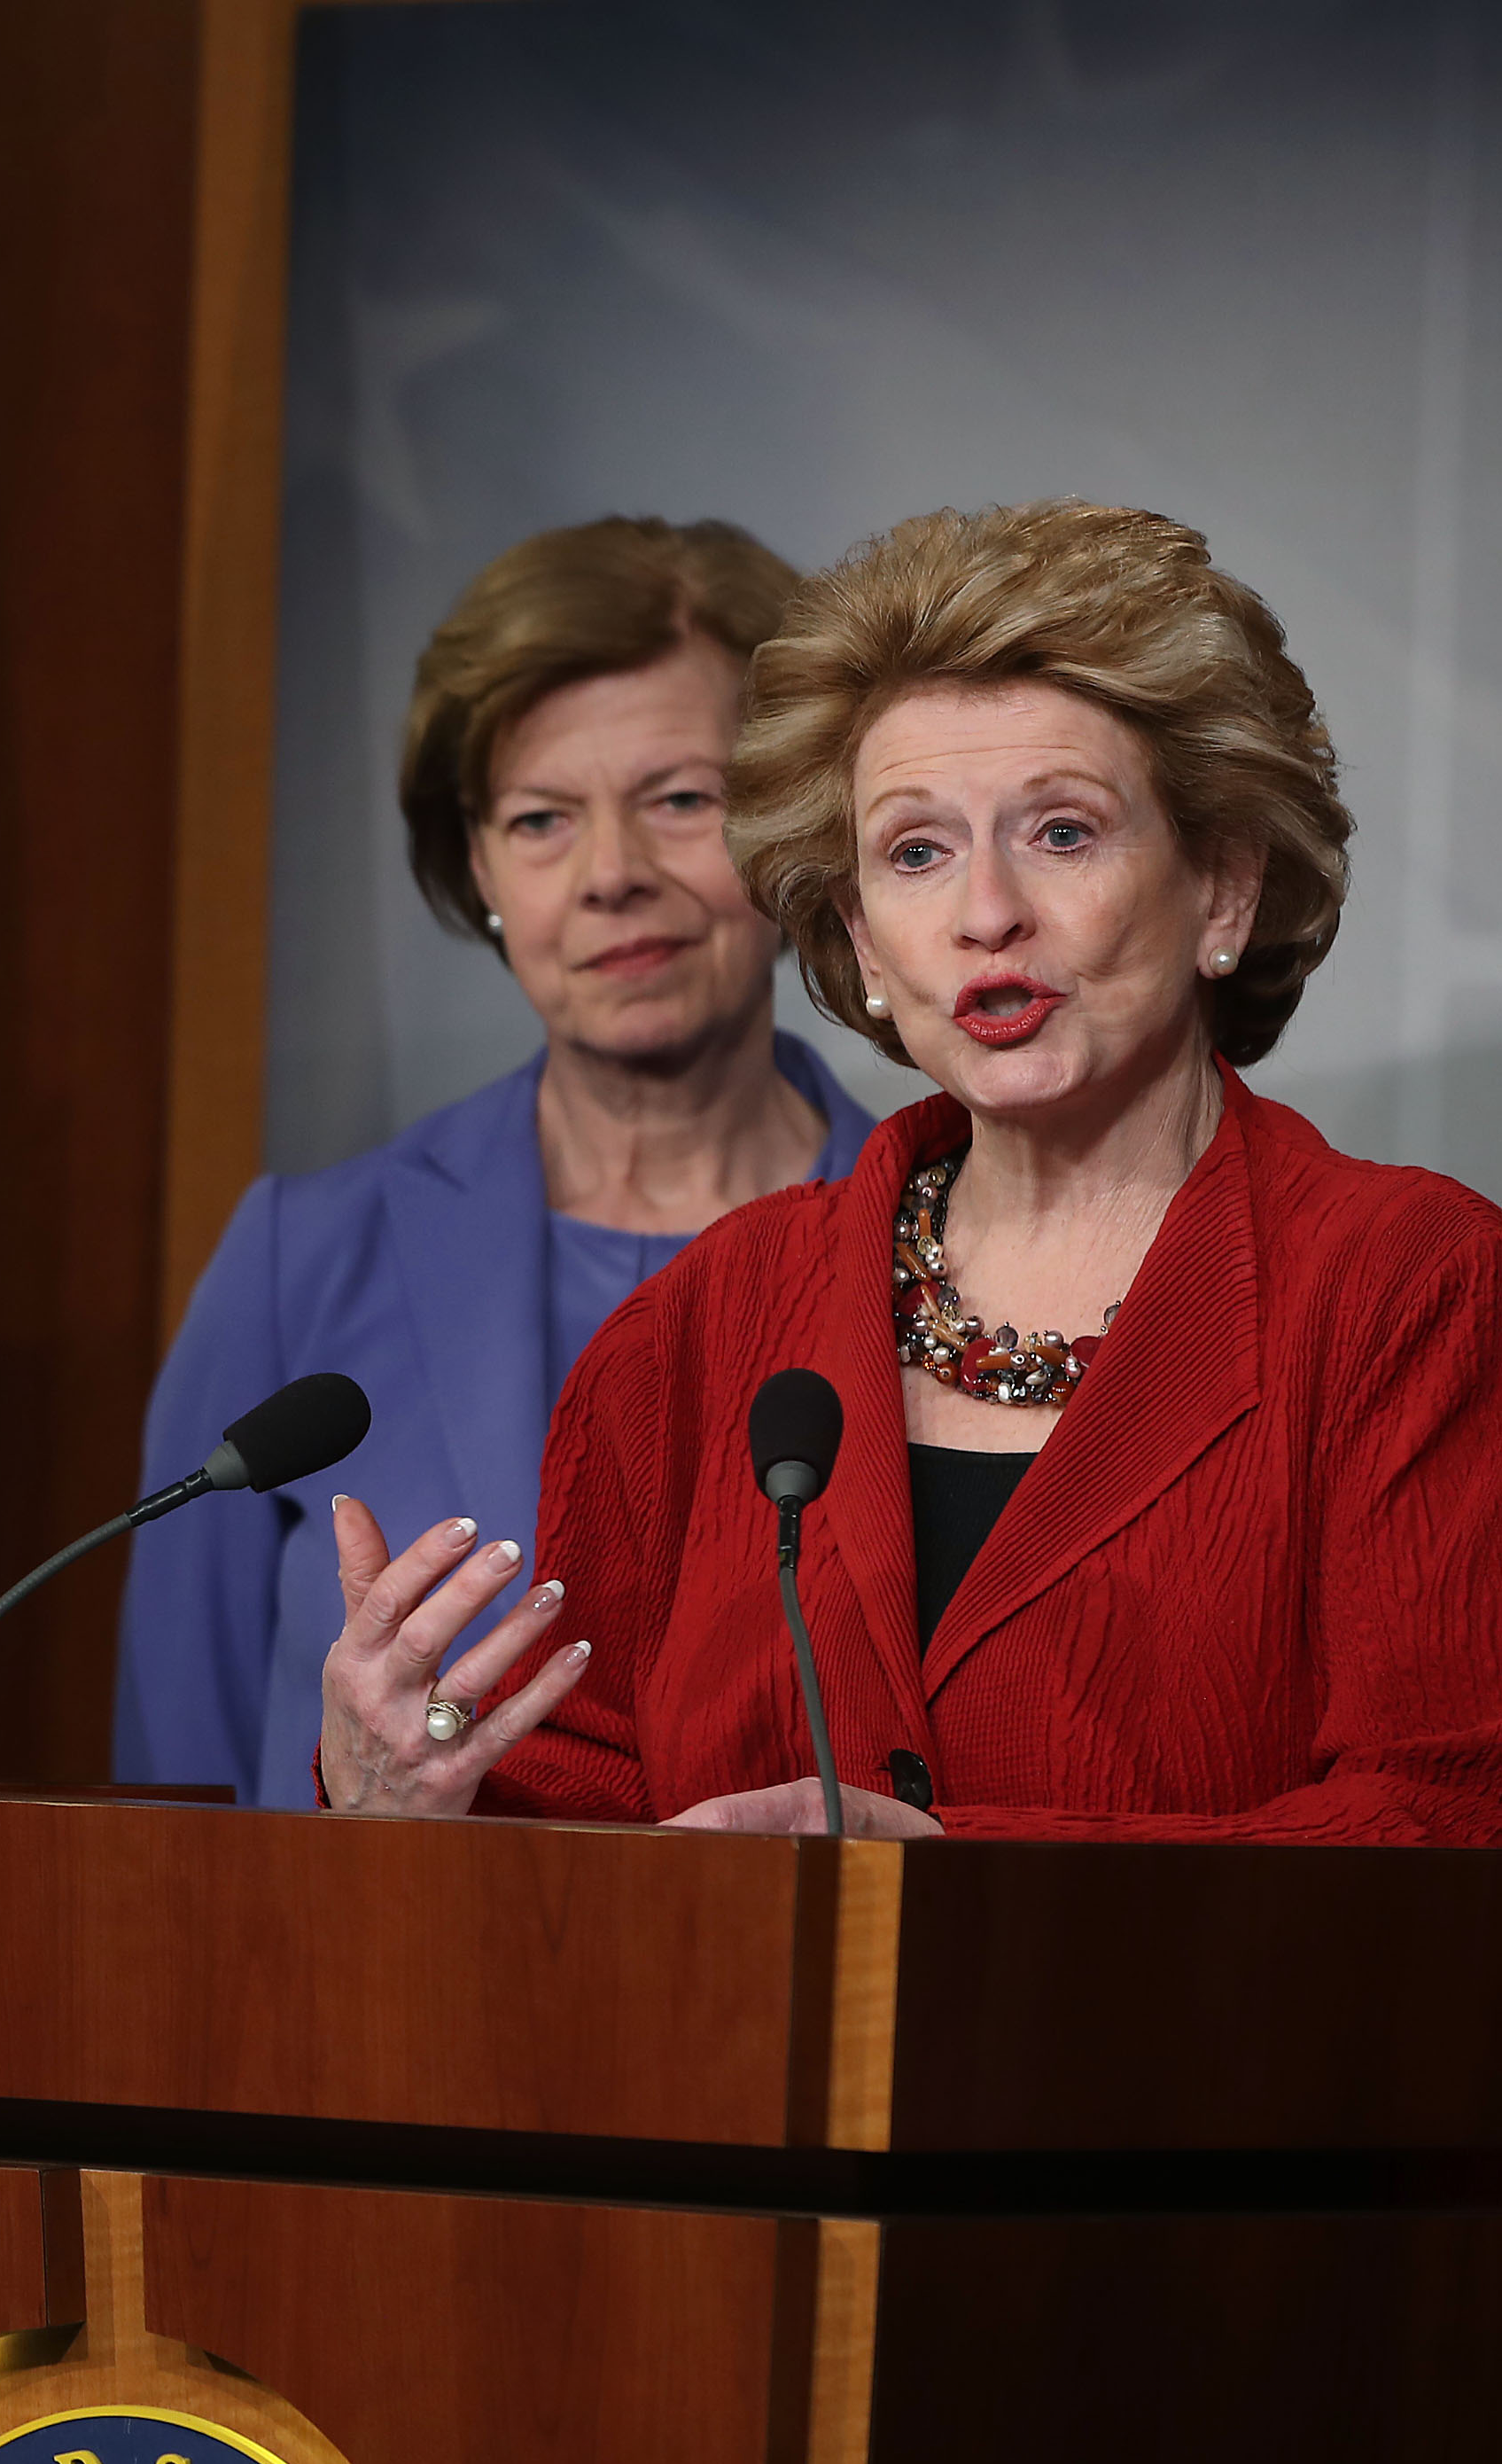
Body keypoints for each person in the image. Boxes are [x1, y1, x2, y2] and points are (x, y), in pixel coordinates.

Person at [318, 500, 1502, 1844]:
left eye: (1061, 832)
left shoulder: (1413, 1293)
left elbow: (1450, 1824)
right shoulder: (699, 1327)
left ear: (1221, 891)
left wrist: (942, 1877)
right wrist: (411, 1793)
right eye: (915, 852)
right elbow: (589, 1819)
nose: (982, 910)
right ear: (866, 946)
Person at [121, 518, 875, 1805]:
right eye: (539, 820)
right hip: (370, 1992)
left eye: (680, 800)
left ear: (791, 826)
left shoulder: (955, 1247)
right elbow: (167, 1792)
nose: (610, 877)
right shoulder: (298, 1259)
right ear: (476, 867)